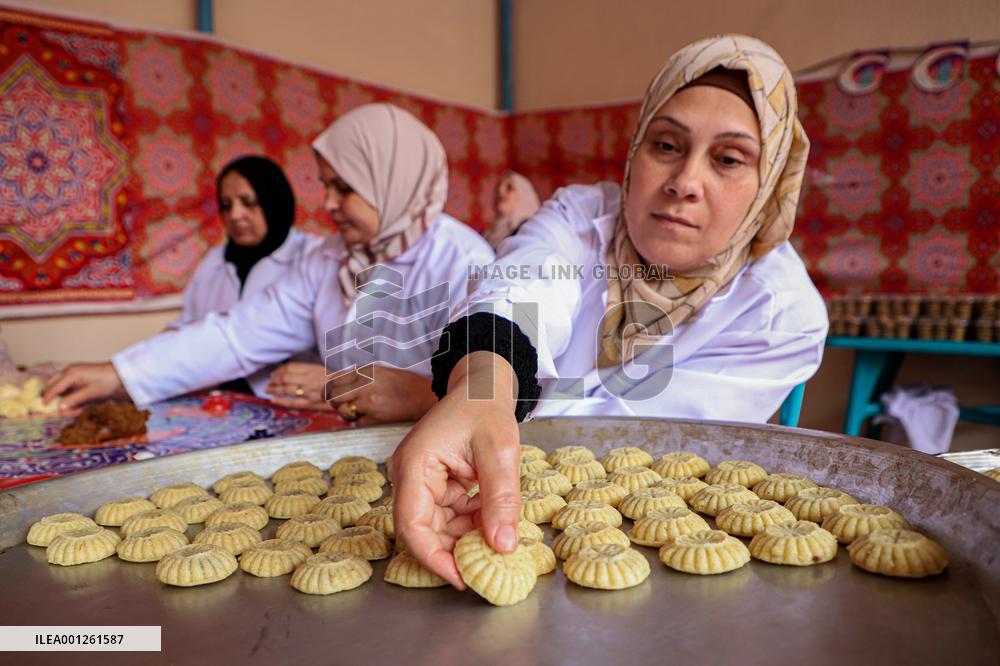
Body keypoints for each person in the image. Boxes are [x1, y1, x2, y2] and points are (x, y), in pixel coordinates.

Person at [390, 34, 828, 588]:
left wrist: (436, 395)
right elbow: (520, 285)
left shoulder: (778, 312)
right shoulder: (583, 215)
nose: (684, 183)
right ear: (636, 148)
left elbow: (632, 436)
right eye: (666, 145)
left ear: (768, 186)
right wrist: (482, 383)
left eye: (728, 159)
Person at [44, 103, 495, 426]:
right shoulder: (329, 258)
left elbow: (507, 384)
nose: (329, 204)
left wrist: (421, 395)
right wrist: (118, 373)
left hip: (440, 454)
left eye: (345, 188)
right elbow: (238, 335)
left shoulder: (465, 261)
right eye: (325, 186)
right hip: (347, 446)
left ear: (392, 181)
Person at [167, 155, 322, 396]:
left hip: (290, 400)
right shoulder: (215, 260)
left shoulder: (312, 257)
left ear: (274, 200)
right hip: (219, 400)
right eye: (226, 206)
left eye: (248, 202)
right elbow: (189, 323)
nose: (235, 215)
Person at [482, 171, 541, 250]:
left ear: (524, 196)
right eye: (497, 187)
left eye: (509, 188)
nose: (500, 191)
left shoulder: (528, 232)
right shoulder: (487, 235)